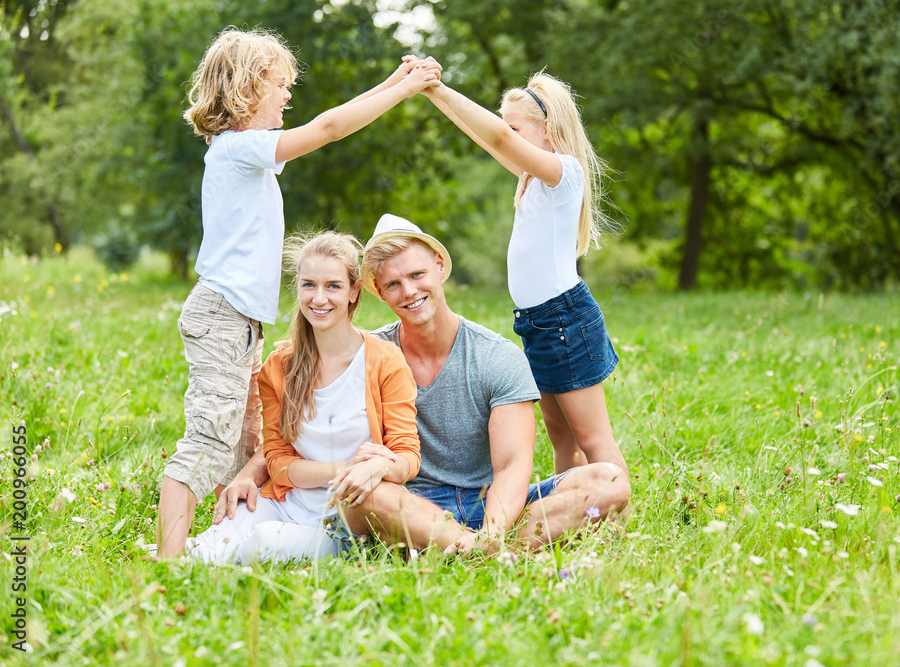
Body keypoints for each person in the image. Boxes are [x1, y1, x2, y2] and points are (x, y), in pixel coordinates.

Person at [157, 26, 441, 558]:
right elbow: (330, 128)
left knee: (245, 445)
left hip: (239, 322)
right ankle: (169, 563)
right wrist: (403, 90)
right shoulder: (239, 148)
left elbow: (329, 122)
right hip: (222, 316)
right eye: (279, 85)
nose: (288, 95)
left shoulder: (242, 152)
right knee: (207, 442)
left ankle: (221, 542)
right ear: (246, 89)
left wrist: (392, 80)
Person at [328, 214, 630, 553]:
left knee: (611, 482)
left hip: (491, 503)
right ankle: (486, 550)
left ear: (439, 266)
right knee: (358, 498)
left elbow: (511, 466)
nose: (410, 291)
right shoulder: (369, 354)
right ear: (380, 292)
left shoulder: (496, 357)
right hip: (412, 505)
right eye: (394, 284)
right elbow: (303, 401)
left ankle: (472, 547)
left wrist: (492, 530)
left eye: (417, 275)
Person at [418, 72, 629, 487]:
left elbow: (497, 138)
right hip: (538, 323)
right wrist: (433, 96)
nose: (507, 134)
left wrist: (441, 88)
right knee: (561, 437)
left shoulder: (564, 172)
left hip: (564, 321)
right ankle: (572, 511)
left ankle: (614, 516)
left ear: (546, 127)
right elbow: (488, 138)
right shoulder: (532, 178)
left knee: (593, 438)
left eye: (515, 127)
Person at [186, 231, 420, 563]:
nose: (319, 298)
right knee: (200, 550)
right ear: (298, 286)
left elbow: (408, 457)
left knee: (262, 542)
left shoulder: (384, 360)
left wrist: (379, 465)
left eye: (333, 286)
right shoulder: (279, 368)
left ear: (354, 292)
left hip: (345, 522)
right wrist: (345, 466)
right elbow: (278, 464)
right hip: (284, 503)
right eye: (309, 285)